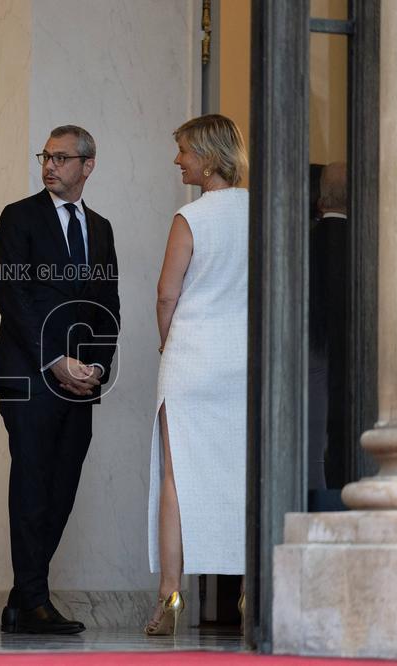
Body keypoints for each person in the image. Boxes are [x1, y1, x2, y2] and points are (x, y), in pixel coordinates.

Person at [0, 125, 120, 635]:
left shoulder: (101, 228)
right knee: (32, 487)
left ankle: (23, 600)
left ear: (88, 166)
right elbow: (13, 299)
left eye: (62, 158)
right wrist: (54, 360)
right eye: (45, 156)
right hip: (29, 376)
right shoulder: (18, 217)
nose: (49, 165)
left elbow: (108, 307)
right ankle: (34, 601)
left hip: (81, 384)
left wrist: (97, 367)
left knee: (62, 489)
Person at [145, 114, 249, 636]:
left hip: (192, 358)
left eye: (184, 150)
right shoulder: (262, 214)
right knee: (247, 473)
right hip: (244, 360)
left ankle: (171, 597)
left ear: (207, 158)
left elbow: (167, 294)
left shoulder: (190, 217)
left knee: (176, 475)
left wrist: (169, 343)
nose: (178, 159)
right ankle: (253, 594)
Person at [309, 161, 349, 502]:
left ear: (321, 200)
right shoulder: (371, 244)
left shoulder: (304, 244)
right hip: (354, 362)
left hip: (314, 358)